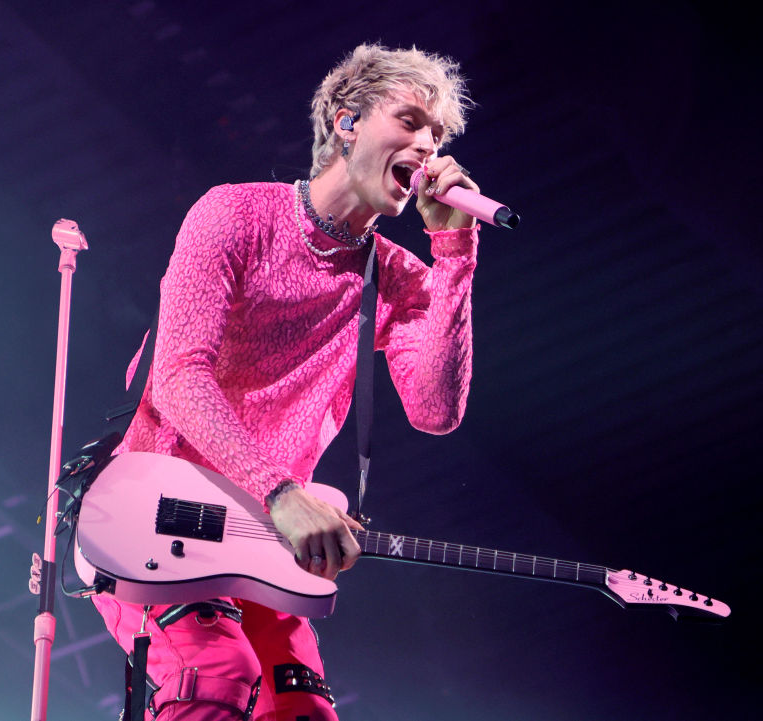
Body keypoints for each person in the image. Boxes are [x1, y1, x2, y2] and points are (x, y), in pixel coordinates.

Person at [91, 43, 481, 720]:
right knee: (217, 678)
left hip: (262, 539)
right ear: (346, 122)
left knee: (304, 713)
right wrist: (280, 490)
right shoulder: (235, 215)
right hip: (157, 514)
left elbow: (435, 410)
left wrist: (454, 253)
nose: (428, 147)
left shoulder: (395, 277)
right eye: (411, 122)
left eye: (438, 135)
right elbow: (179, 375)